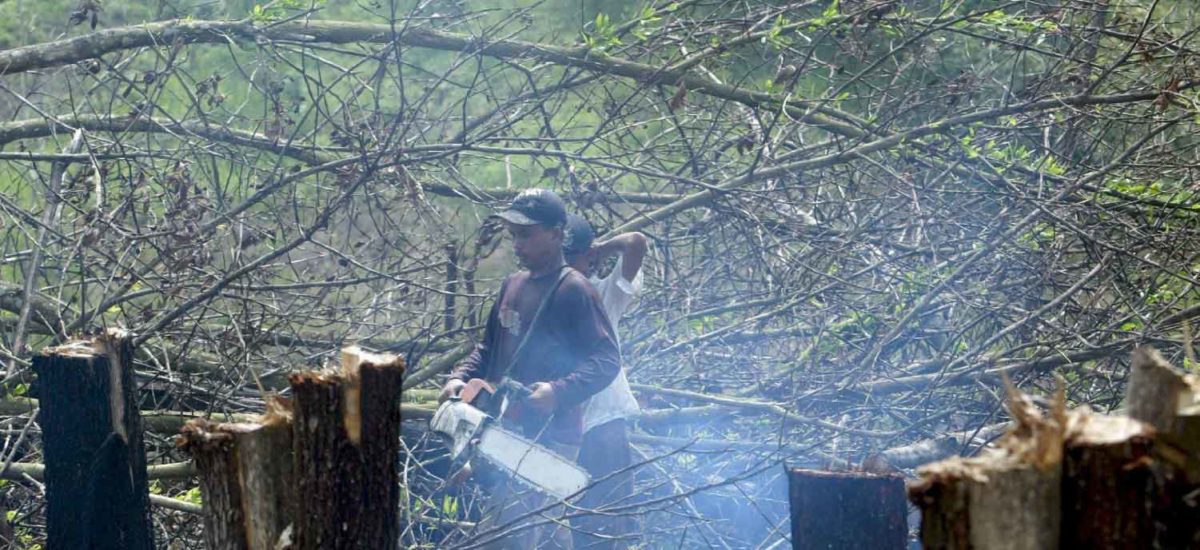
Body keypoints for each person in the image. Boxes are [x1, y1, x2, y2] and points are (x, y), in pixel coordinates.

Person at [440, 189, 620, 550]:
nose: (517, 243)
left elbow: (606, 360)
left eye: (526, 234)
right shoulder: (513, 285)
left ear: (556, 234)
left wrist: (558, 391)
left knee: (510, 531)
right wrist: (459, 378)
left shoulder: (575, 290)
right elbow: (489, 347)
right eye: (515, 234)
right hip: (507, 423)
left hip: (550, 434)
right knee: (546, 532)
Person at [563, 214, 648, 550]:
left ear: (589, 258)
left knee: (613, 518)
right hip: (562, 425)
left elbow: (636, 243)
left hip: (604, 422)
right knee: (573, 519)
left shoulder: (603, 294)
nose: (568, 267)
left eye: (575, 258)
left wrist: (602, 246)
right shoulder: (545, 297)